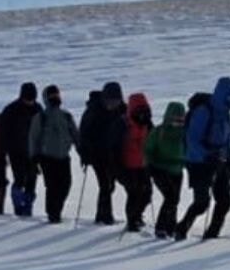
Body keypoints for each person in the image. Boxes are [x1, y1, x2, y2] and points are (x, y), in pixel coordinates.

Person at [175, 77, 230, 241]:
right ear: (221, 96)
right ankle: (181, 228)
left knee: (224, 201)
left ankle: (212, 236)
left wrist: (229, 160)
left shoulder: (226, 115)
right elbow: (192, 139)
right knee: (202, 203)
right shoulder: (203, 111)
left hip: (219, 160)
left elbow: (227, 139)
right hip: (198, 162)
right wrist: (207, 155)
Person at [28, 85, 80, 224]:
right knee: (52, 186)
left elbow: (76, 135)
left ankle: (56, 210)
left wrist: (83, 151)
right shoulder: (40, 117)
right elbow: (34, 138)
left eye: (56, 95)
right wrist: (34, 157)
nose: (55, 98)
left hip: (64, 157)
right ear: (45, 99)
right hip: (47, 158)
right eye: (51, 96)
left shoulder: (67, 116)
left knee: (66, 185)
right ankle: (53, 213)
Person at [80, 83, 125, 226]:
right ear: (104, 99)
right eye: (110, 101)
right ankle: (105, 217)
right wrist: (85, 154)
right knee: (105, 185)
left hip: (114, 155)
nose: (112, 105)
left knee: (110, 185)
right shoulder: (93, 110)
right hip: (97, 155)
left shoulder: (123, 110)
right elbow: (83, 133)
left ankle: (102, 215)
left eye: (116, 101)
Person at [109, 93, 154, 232]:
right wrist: (118, 170)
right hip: (127, 167)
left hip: (143, 166)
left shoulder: (148, 124)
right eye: (139, 111)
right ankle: (132, 222)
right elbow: (114, 148)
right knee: (134, 194)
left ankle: (137, 216)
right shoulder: (122, 124)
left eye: (144, 110)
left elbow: (153, 142)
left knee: (146, 194)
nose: (142, 114)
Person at [144, 101, 187, 239]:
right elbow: (148, 149)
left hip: (177, 170)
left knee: (175, 199)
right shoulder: (158, 131)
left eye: (181, 120)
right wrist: (149, 164)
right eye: (176, 120)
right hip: (159, 169)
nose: (178, 123)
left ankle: (171, 227)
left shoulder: (185, 133)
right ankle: (161, 227)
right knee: (171, 197)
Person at [0, 82, 42, 217]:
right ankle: (18, 205)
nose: (30, 102)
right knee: (19, 179)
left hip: (33, 152)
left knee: (32, 180)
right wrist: (4, 150)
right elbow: (2, 131)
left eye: (32, 99)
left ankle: (28, 207)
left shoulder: (38, 109)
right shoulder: (11, 110)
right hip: (16, 151)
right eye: (27, 99)